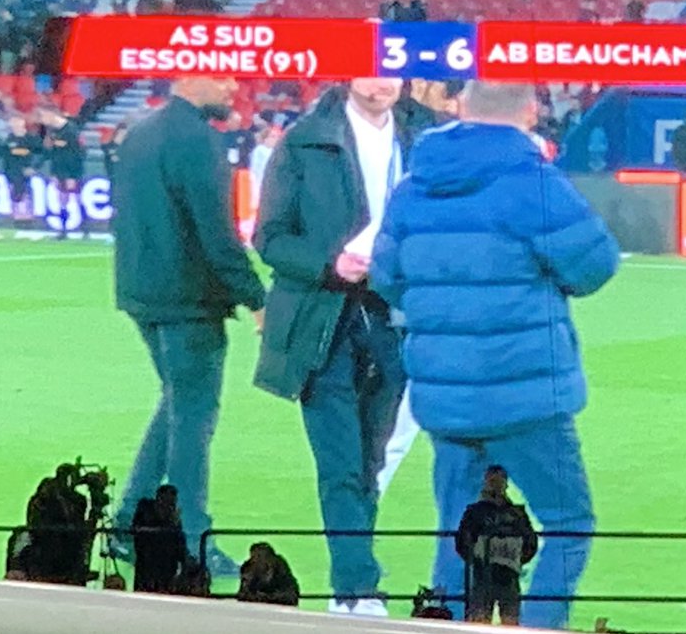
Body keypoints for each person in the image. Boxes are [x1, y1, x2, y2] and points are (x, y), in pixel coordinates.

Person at [371, 81, 620, 629]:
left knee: (457, 531)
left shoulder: (415, 185)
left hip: (447, 396)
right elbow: (595, 263)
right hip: (526, 392)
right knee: (568, 521)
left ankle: (448, 623)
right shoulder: (531, 182)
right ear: (530, 113)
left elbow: (386, 276)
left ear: (461, 109)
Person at [253, 78, 434, 616]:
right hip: (323, 322)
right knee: (340, 464)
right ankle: (358, 586)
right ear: (347, 77)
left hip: (394, 320)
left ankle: (350, 586)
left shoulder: (427, 138)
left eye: (388, 74)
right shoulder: (303, 142)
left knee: (369, 462)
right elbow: (271, 238)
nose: (380, 86)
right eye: (368, 73)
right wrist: (330, 264)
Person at [110, 76, 266, 576]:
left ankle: (125, 525)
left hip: (142, 292)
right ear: (195, 81)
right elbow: (217, 233)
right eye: (225, 79)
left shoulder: (140, 131)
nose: (233, 88)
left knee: (177, 405)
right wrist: (256, 298)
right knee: (193, 421)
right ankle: (190, 541)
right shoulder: (199, 141)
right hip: (188, 300)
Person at [456, 465, 538, 625]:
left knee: (509, 620)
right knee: (479, 620)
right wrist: (478, 557)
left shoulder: (516, 513)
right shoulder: (475, 512)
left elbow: (530, 542)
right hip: (484, 574)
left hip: (507, 573)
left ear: (505, 483)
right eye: (492, 481)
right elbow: (462, 542)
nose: (496, 485)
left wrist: (516, 558)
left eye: (499, 481)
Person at [41, 106, 86, 239]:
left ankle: (85, 230)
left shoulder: (71, 130)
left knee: (77, 198)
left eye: (44, 116)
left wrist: (74, 175)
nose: (42, 120)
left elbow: (80, 153)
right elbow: (51, 153)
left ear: (53, 115)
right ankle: (63, 230)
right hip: (59, 170)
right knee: (62, 199)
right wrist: (53, 173)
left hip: (72, 171)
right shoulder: (52, 131)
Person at [132, 484, 187, 594]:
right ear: (159, 498)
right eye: (166, 501)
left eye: (172, 503)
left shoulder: (173, 518)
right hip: (147, 563)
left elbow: (179, 543)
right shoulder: (145, 509)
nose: (169, 506)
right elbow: (138, 532)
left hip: (168, 566)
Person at [4, 115, 41, 229]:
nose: (15, 126)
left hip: (26, 172)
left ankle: (28, 217)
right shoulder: (8, 140)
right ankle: (16, 217)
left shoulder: (31, 139)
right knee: (14, 194)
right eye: (13, 123)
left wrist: (33, 167)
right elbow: (5, 157)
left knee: (27, 194)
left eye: (17, 122)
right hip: (12, 172)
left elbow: (40, 154)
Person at [236, 542, 300, 606]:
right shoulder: (248, 569)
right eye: (256, 556)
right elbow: (243, 596)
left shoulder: (280, 570)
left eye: (260, 555)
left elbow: (289, 596)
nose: (259, 559)